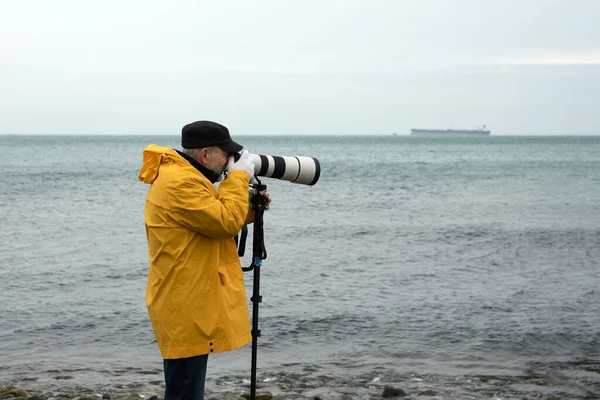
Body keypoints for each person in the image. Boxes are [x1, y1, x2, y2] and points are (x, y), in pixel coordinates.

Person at [138, 120, 271, 400]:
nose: (229, 163)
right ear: (206, 154)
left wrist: (250, 209)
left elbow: (211, 219)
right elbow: (223, 222)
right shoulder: (180, 182)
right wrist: (237, 179)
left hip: (189, 300)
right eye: (226, 155)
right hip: (186, 304)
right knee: (185, 391)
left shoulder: (187, 178)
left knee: (185, 387)